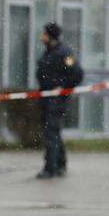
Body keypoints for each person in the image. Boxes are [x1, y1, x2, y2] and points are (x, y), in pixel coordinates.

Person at [35, 22, 83, 179]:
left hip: (56, 100)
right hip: (47, 98)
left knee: (52, 133)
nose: (41, 37)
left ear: (50, 37)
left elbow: (77, 74)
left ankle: (50, 168)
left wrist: (63, 88)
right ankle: (60, 164)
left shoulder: (64, 53)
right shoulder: (49, 52)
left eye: (44, 34)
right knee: (54, 133)